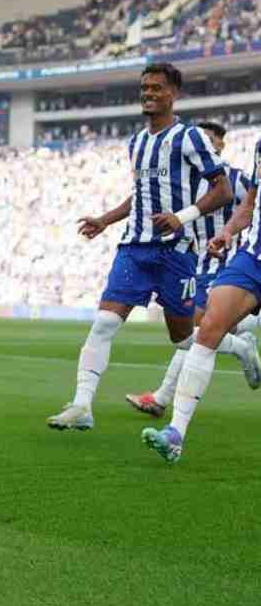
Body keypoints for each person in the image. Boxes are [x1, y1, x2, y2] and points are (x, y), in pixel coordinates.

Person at [46, 62, 257, 431]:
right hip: (134, 249)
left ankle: (239, 347)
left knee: (183, 340)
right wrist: (105, 220)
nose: (149, 94)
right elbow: (140, 195)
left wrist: (182, 216)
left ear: (173, 94)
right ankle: (82, 405)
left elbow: (222, 191)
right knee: (104, 324)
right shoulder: (137, 142)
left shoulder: (190, 137)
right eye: (145, 88)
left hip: (176, 251)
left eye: (157, 88)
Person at [126, 121, 260, 417]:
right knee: (188, 333)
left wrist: (228, 235)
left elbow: (249, 208)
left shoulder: (235, 180)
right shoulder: (183, 185)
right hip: (191, 263)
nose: (205, 146)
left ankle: (162, 398)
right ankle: (241, 345)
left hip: (225, 264)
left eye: (211, 141)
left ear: (221, 146)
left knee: (198, 326)